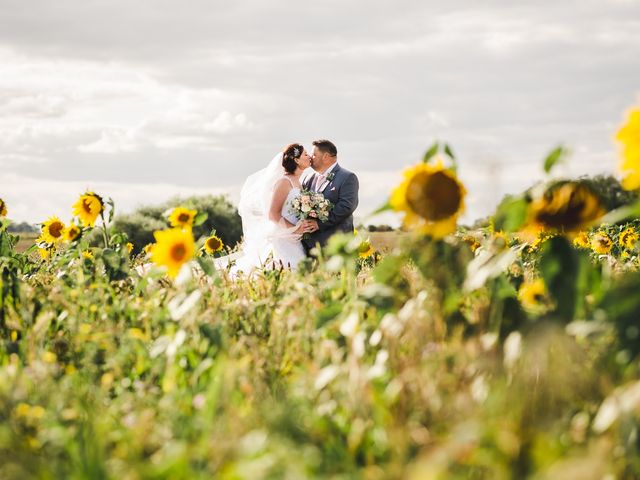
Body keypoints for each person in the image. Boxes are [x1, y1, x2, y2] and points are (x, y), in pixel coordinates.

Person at [224, 143, 317, 274]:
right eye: (305, 154)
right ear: (296, 160)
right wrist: (295, 228)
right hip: (283, 239)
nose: (309, 157)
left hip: (295, 239)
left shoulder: (299, 182)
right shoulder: (284, 182)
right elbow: (272, 214)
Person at [302, 139, 359, 255]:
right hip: (310, 246)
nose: (310, 157)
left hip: (336, 244)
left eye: (313, 154)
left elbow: (346, 207)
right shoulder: (308, 178)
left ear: (326, 156)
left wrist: (319, 224)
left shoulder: (347, 177)